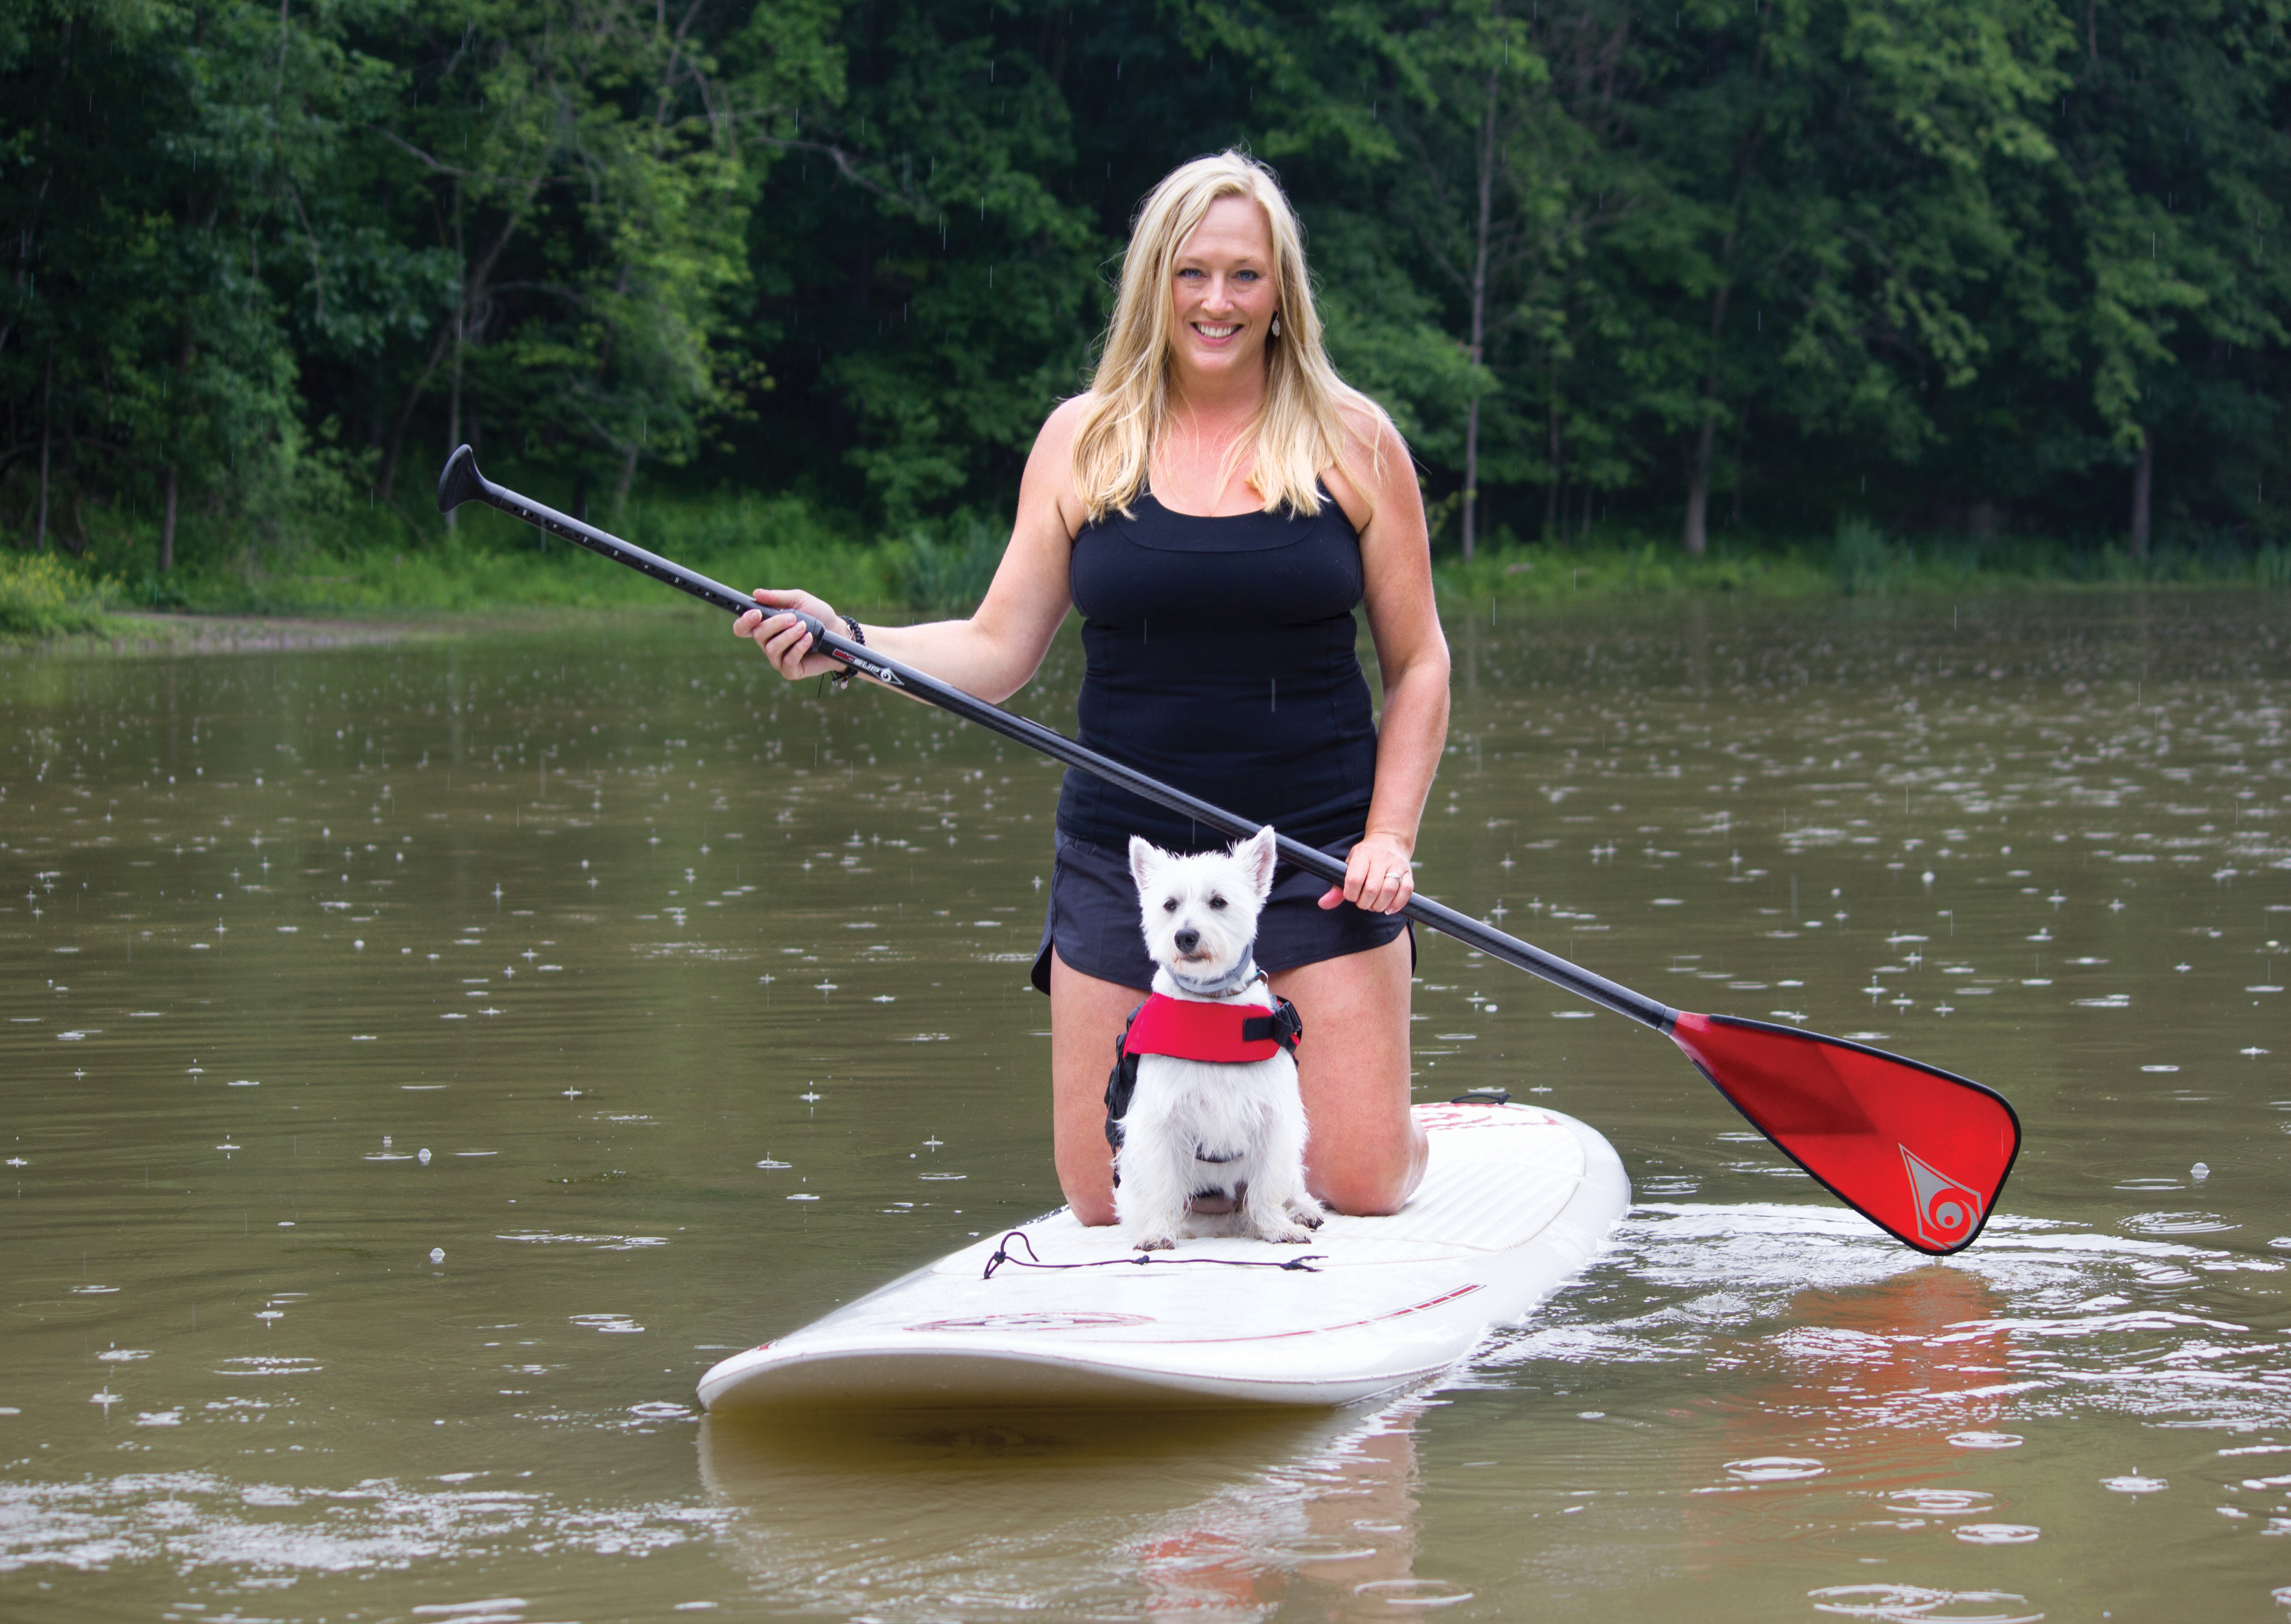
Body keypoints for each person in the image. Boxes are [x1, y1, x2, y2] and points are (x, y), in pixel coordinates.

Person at [735, 150, 1449, 1224]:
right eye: (1192, 273)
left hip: (1311, 855)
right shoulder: (1084, 438)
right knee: (1105, 1198)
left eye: (1245, 276)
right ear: (1152, 280)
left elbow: (1420, 661)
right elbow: (994, 646)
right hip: (1130, 861)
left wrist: (1386, 838)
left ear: (1280, 291)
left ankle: (1391, 1124)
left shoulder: (1353, 441)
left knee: (1352, 1184)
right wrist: (853, 641)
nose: (1217, 301)